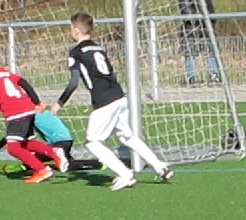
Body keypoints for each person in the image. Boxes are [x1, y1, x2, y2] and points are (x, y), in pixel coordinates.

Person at [52, 12, 173, 191]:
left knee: (92, 142)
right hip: (119, 96)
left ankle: (125, 174)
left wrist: (59, 103)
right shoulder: (99, 48)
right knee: (127, 136)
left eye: (71, 28)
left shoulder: (76, 52)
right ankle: (160, 167)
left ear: (76, 30)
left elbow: (74, 81)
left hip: (104, 101)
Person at [0, 47, 62, 183]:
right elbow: (23, 82)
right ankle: (53, 152)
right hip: (28, 109)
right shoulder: (2, 71)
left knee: (13, 148)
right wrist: (37, 102)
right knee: (26, 143)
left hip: (16, 113)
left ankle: (43, 170)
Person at [177, 0, 223, 84]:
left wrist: (211, 20)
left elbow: (210, 8)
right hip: (191, 28)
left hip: (206, 27)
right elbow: (185, 9)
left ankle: (214, 74)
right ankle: (191, 77)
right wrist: (198, 20)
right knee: (190, 53)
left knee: (210, 51)